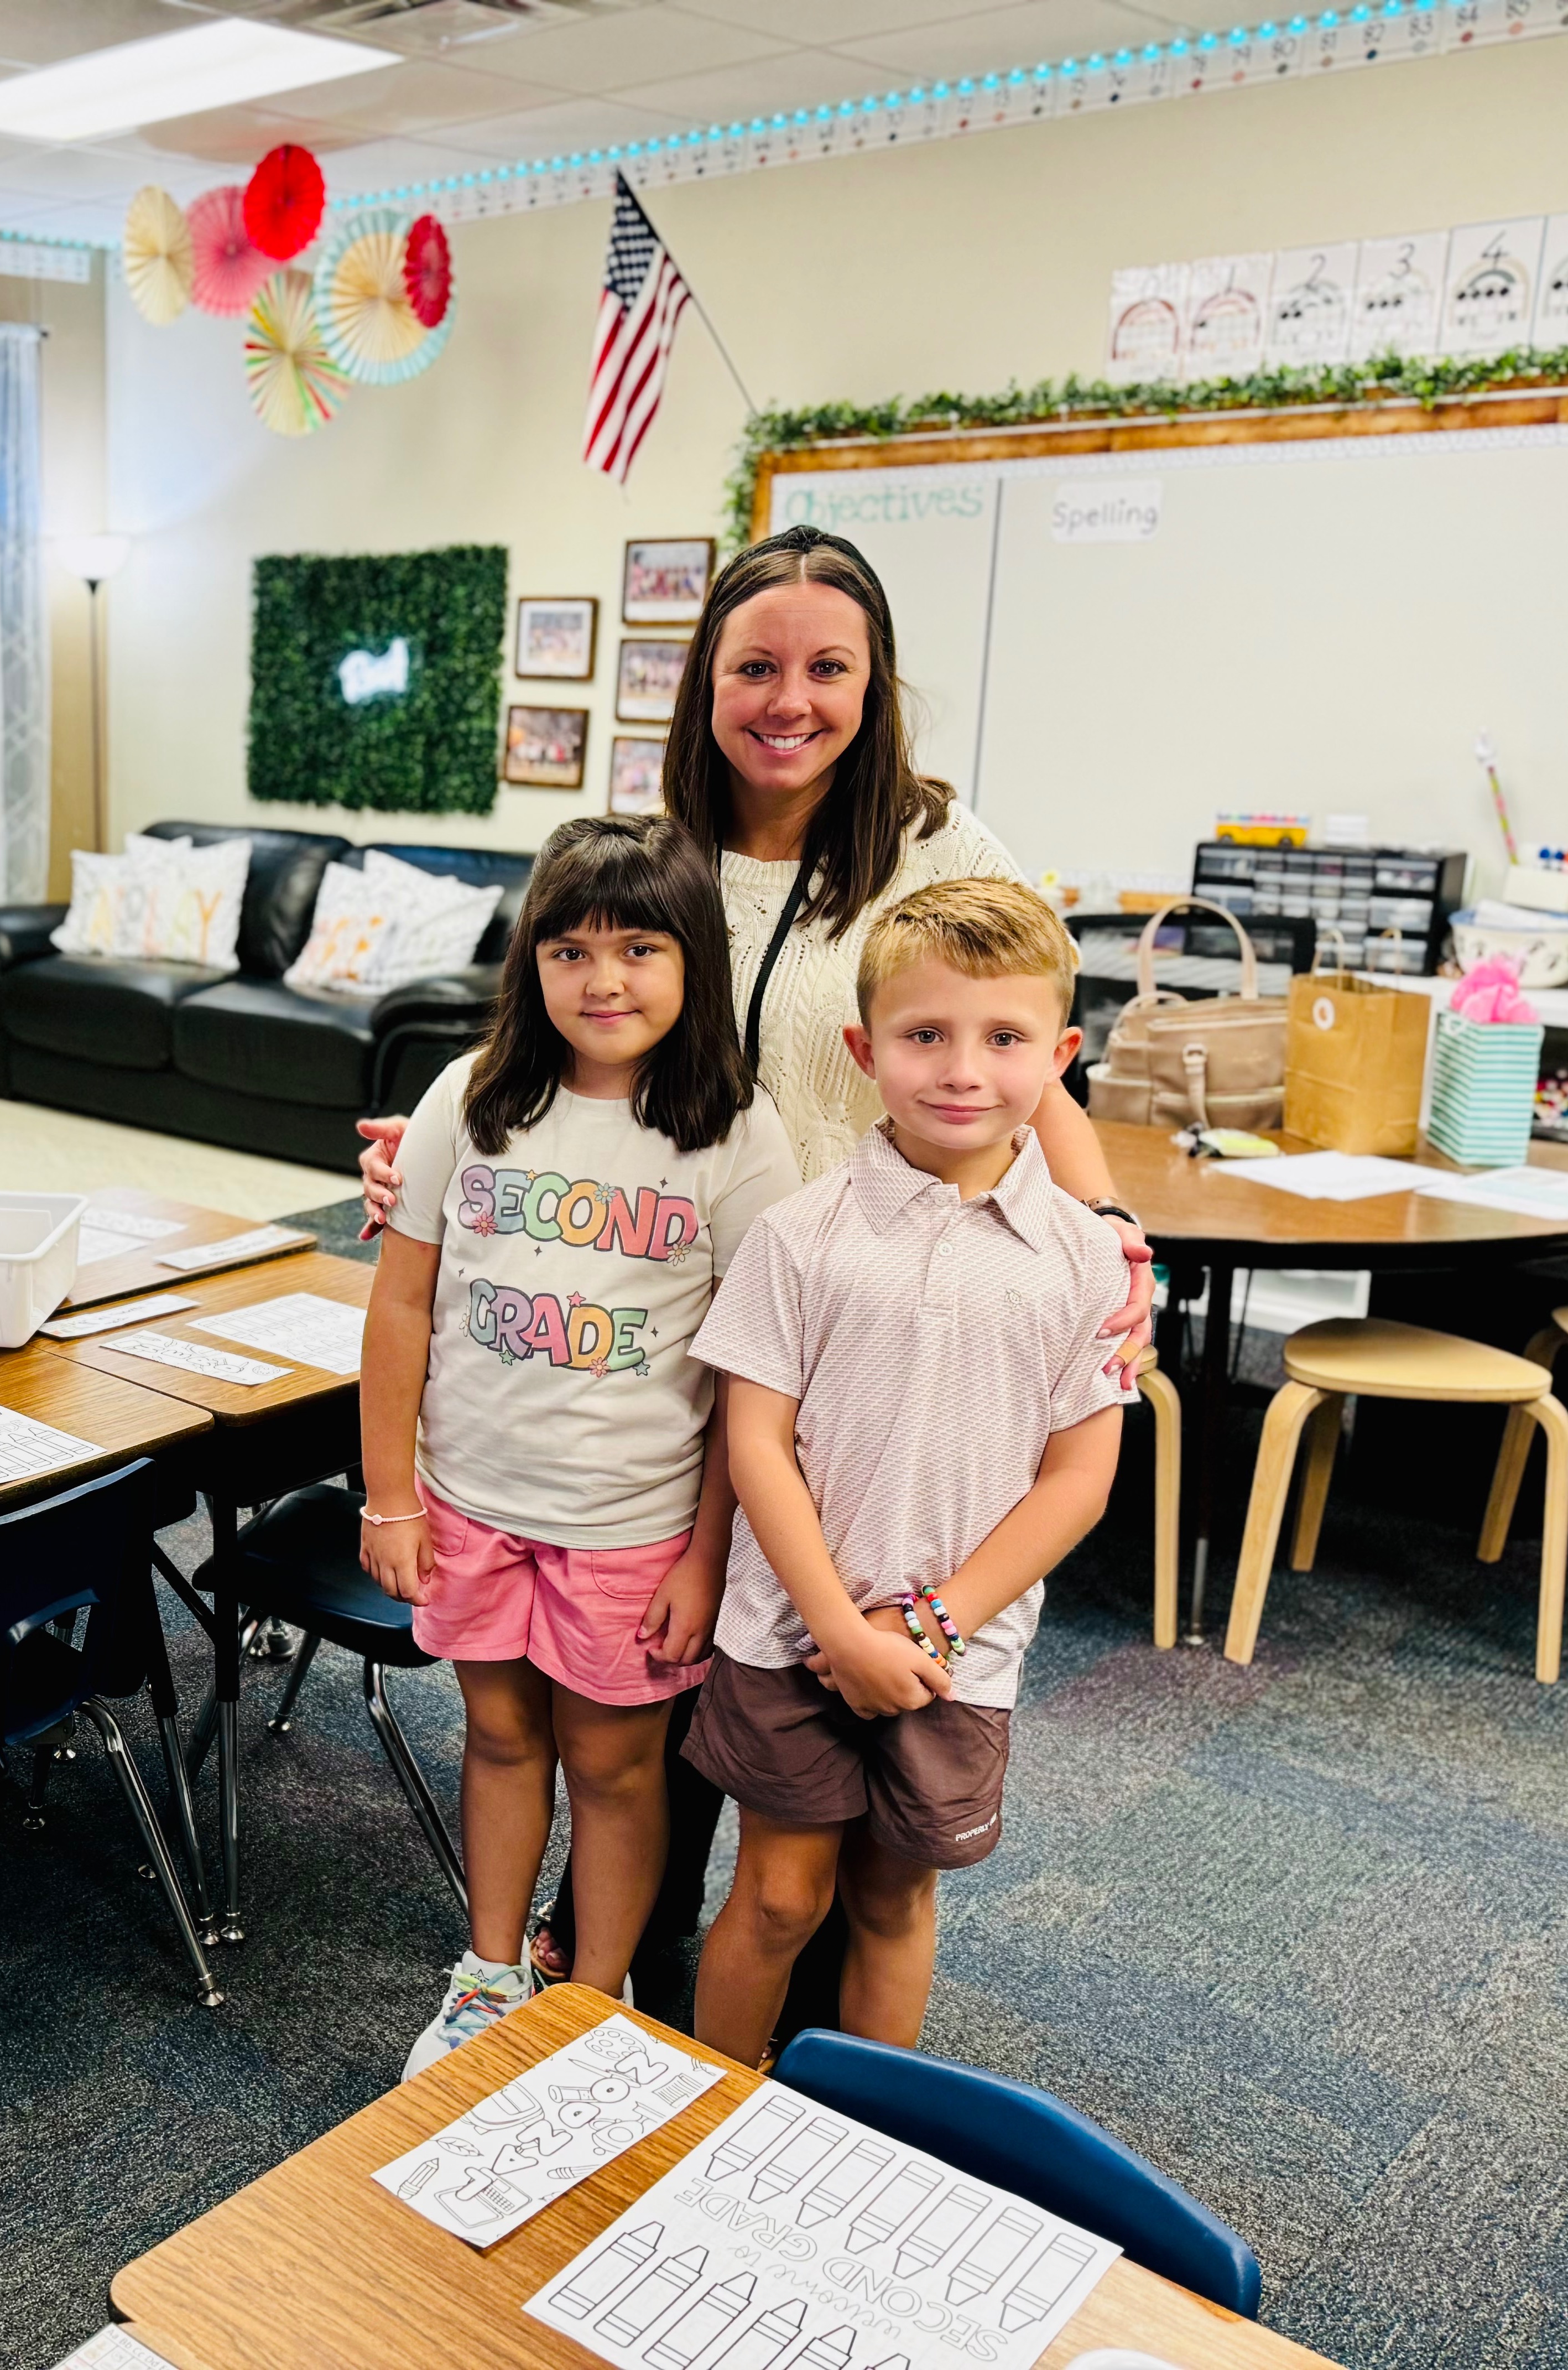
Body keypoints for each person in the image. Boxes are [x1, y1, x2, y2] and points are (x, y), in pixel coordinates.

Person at [356, 526, 1153, 2009]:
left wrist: (1108, 1240)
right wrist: (434, 1156)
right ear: (702, 682)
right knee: (671, 1703)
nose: (789, 699)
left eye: (826, 668)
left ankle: (796, 2023)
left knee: (836, 1740)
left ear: (873, 682)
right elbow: (555, 1048)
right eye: (753, 667)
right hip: (671, 1340)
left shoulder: (936, 846)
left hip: (885, 1326)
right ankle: (623, 1976)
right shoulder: (657, 852)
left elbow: (1030, 1061)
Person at [358, 814, 801, 2078]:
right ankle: (491, 1975)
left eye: (639, 950)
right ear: (531, 962)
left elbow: (749, 1373)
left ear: (692, 964)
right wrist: (391, 1496)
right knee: (498, 1741)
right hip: (471, 1503)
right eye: (571, 951)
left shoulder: (735, 1131)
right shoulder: (475, 1092)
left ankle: (593, 2002)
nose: (602, 981)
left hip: (633, 1524)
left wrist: (708, 1559)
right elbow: (400, 1303)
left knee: (614, 1770)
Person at [684, 877, 1129, 2067]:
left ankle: (860, 2142)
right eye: (925, 1035)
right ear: (863, 1049)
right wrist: (843, 1628)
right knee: (778, 1900)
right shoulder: (802, 1235)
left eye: (1004, 1038)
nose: (962, 1069)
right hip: (791, 1635)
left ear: (1061, 1054)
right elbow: (755, 1444)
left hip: (960, 1656)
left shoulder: (1089, 1262)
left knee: (892, 1902)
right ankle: (704, 2129)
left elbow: (1079, 1481)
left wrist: (926, 1629)